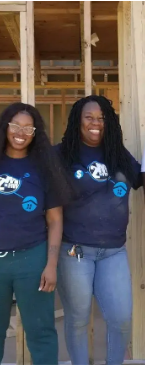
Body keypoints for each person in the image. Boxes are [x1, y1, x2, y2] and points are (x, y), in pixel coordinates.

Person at [0, 102, 74, 365]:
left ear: (35, 133)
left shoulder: (45, 168)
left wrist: (51, 265)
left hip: (32, 260)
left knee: (41, 331)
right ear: (5, 127)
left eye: (28, 127)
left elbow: (56, 220)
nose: (21, 132)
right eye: (15, 125)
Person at [56, 95, 143, 365]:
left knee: (121, 318)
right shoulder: (59, 154)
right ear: (77, 121)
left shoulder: (118, 154)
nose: (96, 123)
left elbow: (140, 179)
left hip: (113, 252)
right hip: (74, 251)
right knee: (79, 319)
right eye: (89, 117)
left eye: (102, 118)